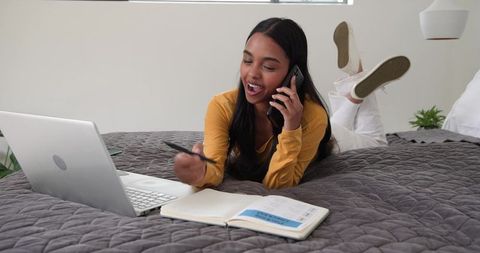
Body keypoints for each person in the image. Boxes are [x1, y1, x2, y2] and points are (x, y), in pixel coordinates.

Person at [173, 18, 410, 189]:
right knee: (339, 119)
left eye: (268, 67)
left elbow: (278, 184)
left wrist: (292, 128)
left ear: (293, 74)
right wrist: (199, 174)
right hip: (323, 123)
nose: (252, 74)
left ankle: (356, 85)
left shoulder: (313, 117)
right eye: (247, 60)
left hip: (328, 138)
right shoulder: (222, 106)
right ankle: (355, 85)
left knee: (376, 142)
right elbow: (213, 167)